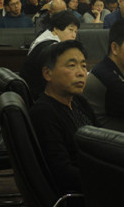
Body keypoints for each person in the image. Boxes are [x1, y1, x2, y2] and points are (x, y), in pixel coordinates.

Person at [29, 40, 96, 193]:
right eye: (71, 66)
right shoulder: (44, 113)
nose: (81, 73)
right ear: (48, 73)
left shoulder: (78, 101)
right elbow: (62, 173)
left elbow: (100, 139)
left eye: (83, 66)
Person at [22, 11, 81, 99]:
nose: (74, 36)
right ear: (56, 29)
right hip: (38, 97)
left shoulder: (44, 38)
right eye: (70, 30)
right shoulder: (51, 47)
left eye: (75, 31)